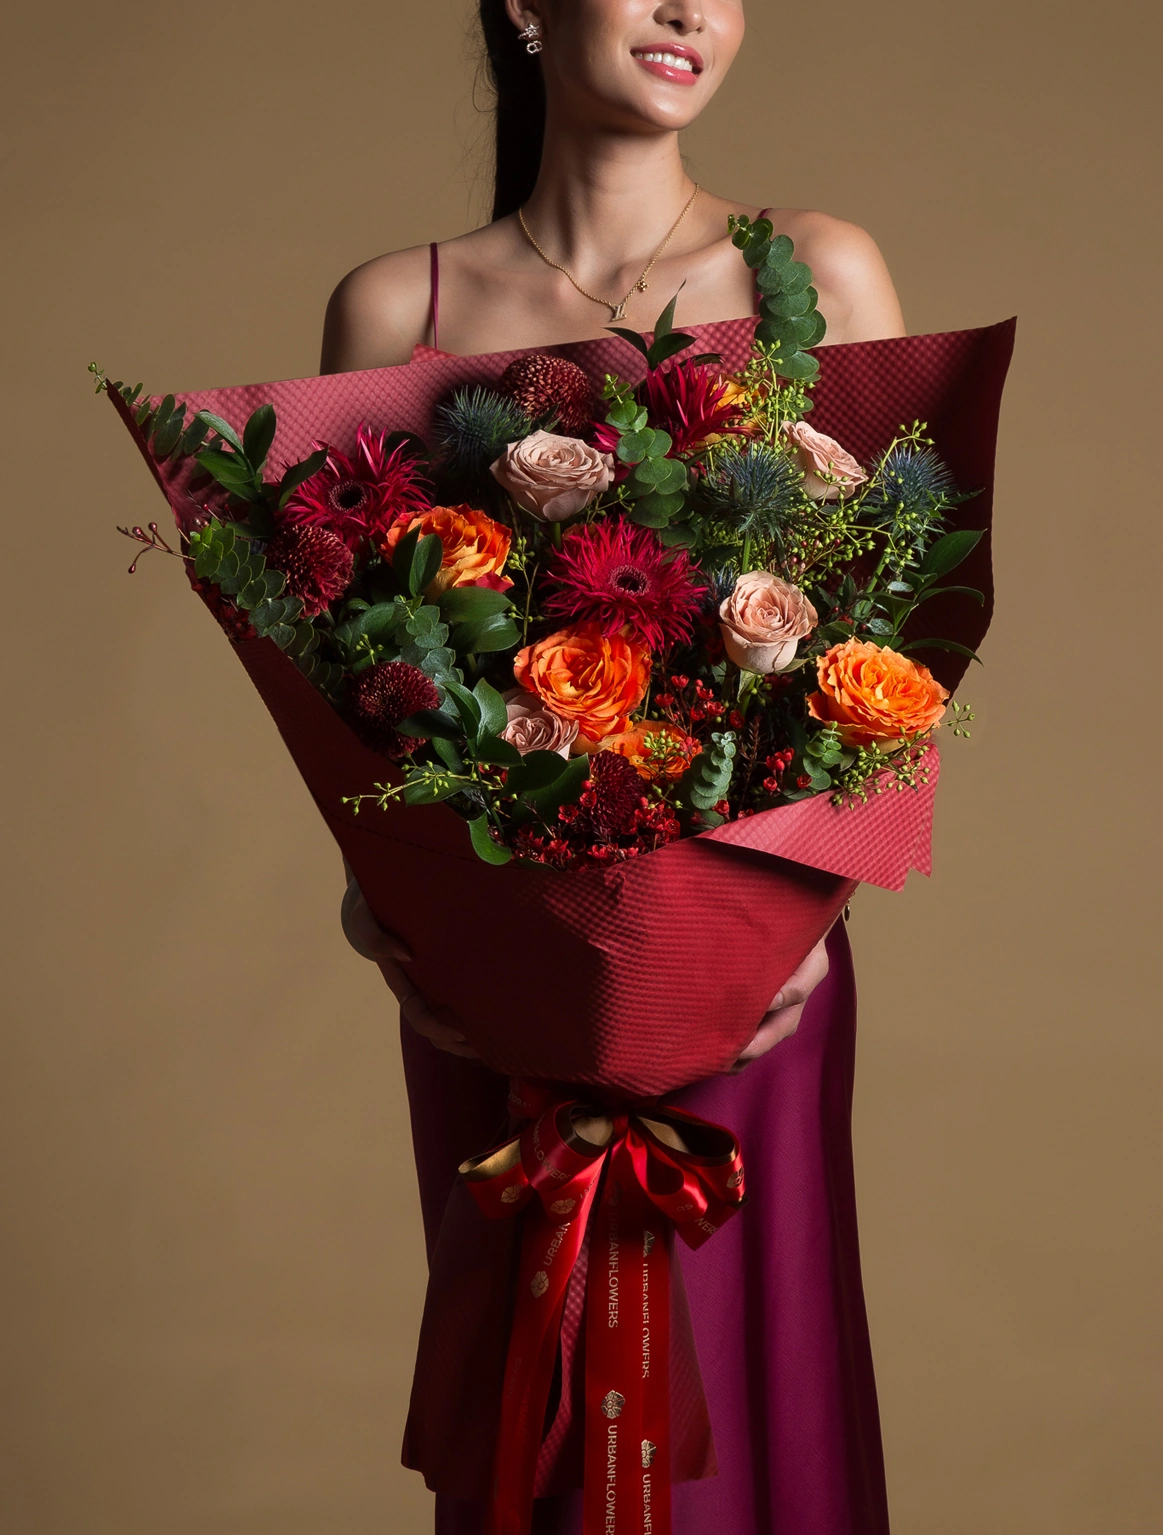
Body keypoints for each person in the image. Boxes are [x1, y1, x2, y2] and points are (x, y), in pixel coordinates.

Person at [328, 4, 905, 1532]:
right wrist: (384, 912)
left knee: (749, 1408)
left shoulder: (819, 274)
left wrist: (803, 906)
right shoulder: (401, 306)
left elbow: (886, 659)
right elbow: (359, 698)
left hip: (756, 981)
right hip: (491, 988)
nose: (687, 9)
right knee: (531, 1413)